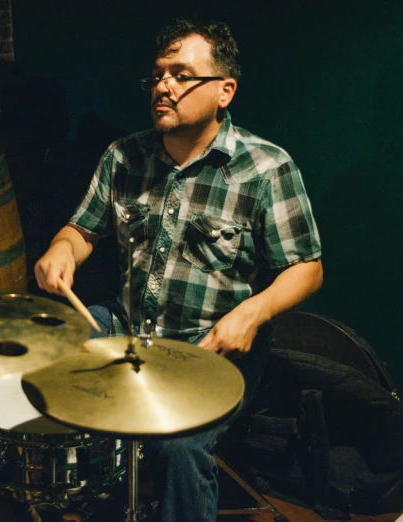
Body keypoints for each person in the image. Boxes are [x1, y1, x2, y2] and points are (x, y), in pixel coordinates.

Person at [34, 18, 324, 522]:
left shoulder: (266, 168)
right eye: (158, 75)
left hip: (210, 347)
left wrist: (252, 313)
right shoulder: (123, 156)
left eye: (182, 74)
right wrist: (62, 249)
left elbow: (307, 268)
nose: (164, 86)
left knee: (178, 447)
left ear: (224, 91)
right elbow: (82, 231)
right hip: (127, 327)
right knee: (35, 354)